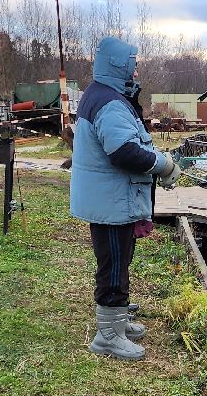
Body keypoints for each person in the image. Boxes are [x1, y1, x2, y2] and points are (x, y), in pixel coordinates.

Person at [70, 36, 179, 360]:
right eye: (133, 64)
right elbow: (123, 151)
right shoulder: (108, 101)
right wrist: (163, 164)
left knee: (118, 261)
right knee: (114, 264)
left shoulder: (106, 95)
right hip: (111, 202)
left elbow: (127, 141)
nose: (136, 71)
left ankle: (116, 320)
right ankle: (108, 337)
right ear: (121, 65)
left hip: (112, 200)